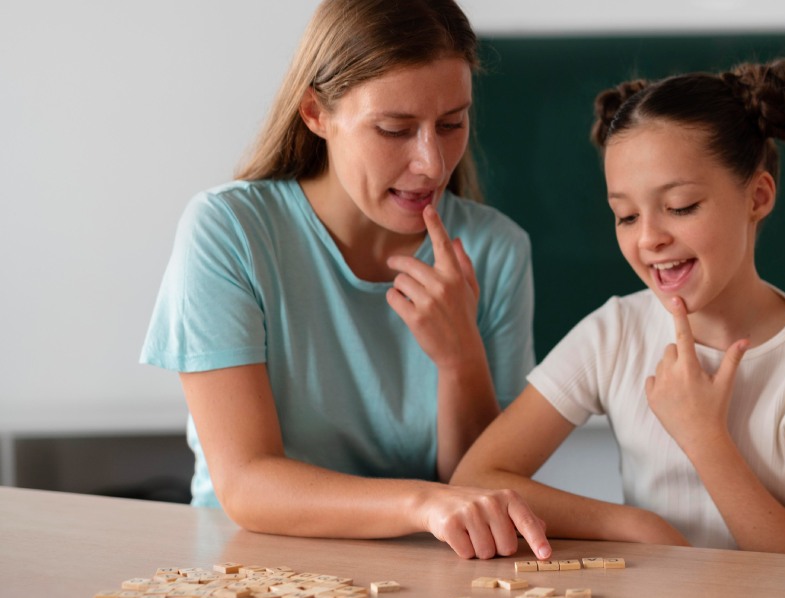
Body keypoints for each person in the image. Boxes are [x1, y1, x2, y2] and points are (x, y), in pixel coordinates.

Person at [140, 0, 551, 561]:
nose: (432, 163)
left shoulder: (496, 250)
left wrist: (461, 360)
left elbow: (478, 487)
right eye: (394, 129)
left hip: (431, 578)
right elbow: (245, 483)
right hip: (255, 570)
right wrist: (421, 506)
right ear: (316, 113)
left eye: (452, 123)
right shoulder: (229, 230)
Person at [451, 58, 785, 556]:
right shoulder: (616, 332)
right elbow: (476, 477)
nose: (649, 238)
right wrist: (635, 525)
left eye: (681, 206)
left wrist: (705, 439)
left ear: (757, 196)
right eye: (625, 215)